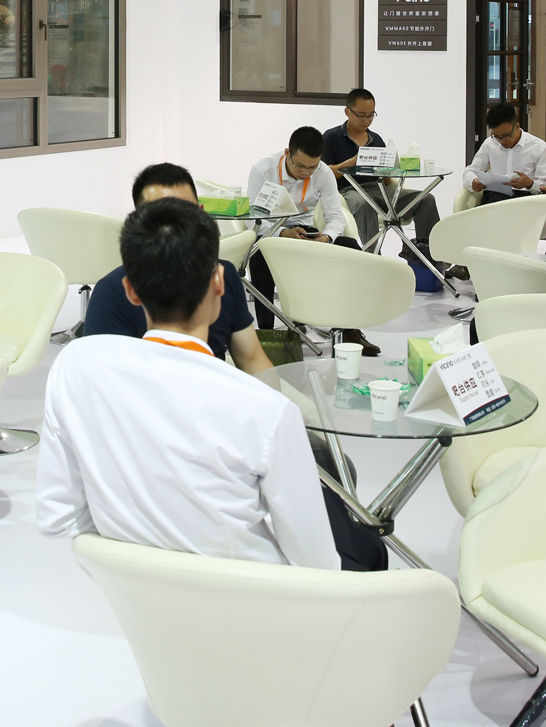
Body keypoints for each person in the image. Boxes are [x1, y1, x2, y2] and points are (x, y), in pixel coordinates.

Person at [38, 196, 377, 570]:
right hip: (252, 591)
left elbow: (58, 516)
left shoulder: (73, 367)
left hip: (132, 586)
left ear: (131, 290)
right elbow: (317, 564)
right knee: (370, 548)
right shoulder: (266, 411)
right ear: (219, 282)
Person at [82, 162, 273, 376]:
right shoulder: (110, 291)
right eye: (160, 216)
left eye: (185, 212)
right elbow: (104, 378)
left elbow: (252, 358)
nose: (174, 226)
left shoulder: (225, 274)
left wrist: (270, 395)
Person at [244, 127, 371, 353]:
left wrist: (326, 237)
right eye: (300, 166)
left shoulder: (323, 172)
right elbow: (252, 220)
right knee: (260, 253)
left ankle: (349, 329)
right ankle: (266, 333)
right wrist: (283, 233)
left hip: (307, 233)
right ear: (287, 153)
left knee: (351, 249)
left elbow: (335, 217)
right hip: (271, 232)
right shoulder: (263, 170)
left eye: (312, 167)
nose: (306, 172)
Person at [322, 87, 439, 260]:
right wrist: (355, 160)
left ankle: (428, 255)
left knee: (425, 200)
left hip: (380, 189)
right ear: (347, 111)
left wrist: (388, 168)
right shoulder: (331, 137)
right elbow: (326, 174)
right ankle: (374, 259)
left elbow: (386, 181)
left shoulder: (376, 139)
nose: (366, 120)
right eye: (361, 115)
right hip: (350, 191)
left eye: (371, 115)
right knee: (364, 204)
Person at [465, 102, 546, 203]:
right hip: (495, 197)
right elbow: (470, 170)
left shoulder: (540, 147)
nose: (502, 141)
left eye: (506, 136)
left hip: (525, 198)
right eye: (497, 136)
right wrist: (473, 181)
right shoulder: (490, 143)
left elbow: (544, 186)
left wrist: (530, 183)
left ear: (517, 126)